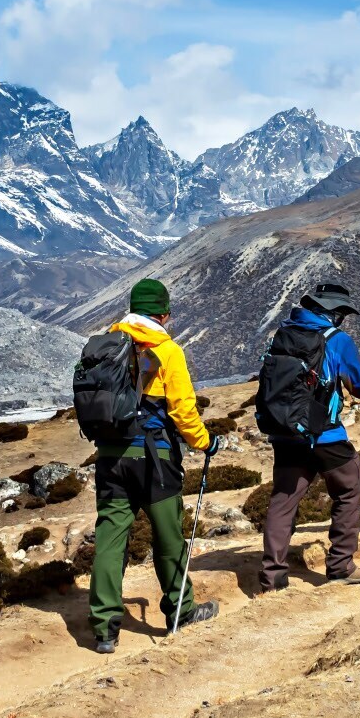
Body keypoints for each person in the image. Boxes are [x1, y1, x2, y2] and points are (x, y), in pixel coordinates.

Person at [86, 279, 220, 654]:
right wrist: (205, 442)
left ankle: (104, 629)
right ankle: (182, 611)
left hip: (110, 457)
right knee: (167, 540)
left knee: (110, 541)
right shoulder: (168, 351)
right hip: (154, 459)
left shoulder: (108, 346)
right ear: (163, 314)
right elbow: (183, 410)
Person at [255, 283, 360, 593]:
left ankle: (273, 579)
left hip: (286, 433)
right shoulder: (337, 340)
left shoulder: (284, 334)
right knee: (348, 488)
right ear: (333, 313)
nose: (343, 319)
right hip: (325, 434)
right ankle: (340, 566)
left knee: (283, 502)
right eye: (342, 313)